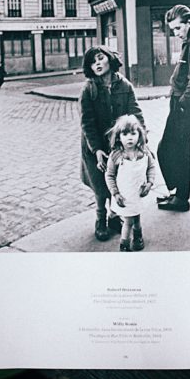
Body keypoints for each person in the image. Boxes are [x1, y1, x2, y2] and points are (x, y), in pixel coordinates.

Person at [79, 45, 145, 242]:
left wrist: (142, 139)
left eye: (100, 58)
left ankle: (114, 217)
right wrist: (97, 149)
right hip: (95, 147)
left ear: (110, 59)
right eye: (92, 61)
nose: (96, 64)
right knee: (100, 186)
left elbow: (136, 114)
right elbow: (87, 123)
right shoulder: (88, 89)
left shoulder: (125, 86)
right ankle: (101, 220)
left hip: (119, 145)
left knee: (119, 182)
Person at [157, 5, 190, 213]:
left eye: (178, 28)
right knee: (172, 149)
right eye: (173, 30)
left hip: (184, 104)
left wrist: (183, 105)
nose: (176, 33)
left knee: (174, 149)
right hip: (180, 101)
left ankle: (181, 198)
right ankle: (177, 193)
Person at [105, 114, 156, 252]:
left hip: (138, 194)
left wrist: (150, 183)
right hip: (124, 196)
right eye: (125, 134)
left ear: (139, 135)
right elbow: (109, 175)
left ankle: (138, 236)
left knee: (137, 217)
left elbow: (151, 167)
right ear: (118, 137)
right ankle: (124, 244)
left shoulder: (144, 152)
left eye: (133, 133)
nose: (129, 137)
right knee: (128, 221)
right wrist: (115, 193)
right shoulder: (116, 156)